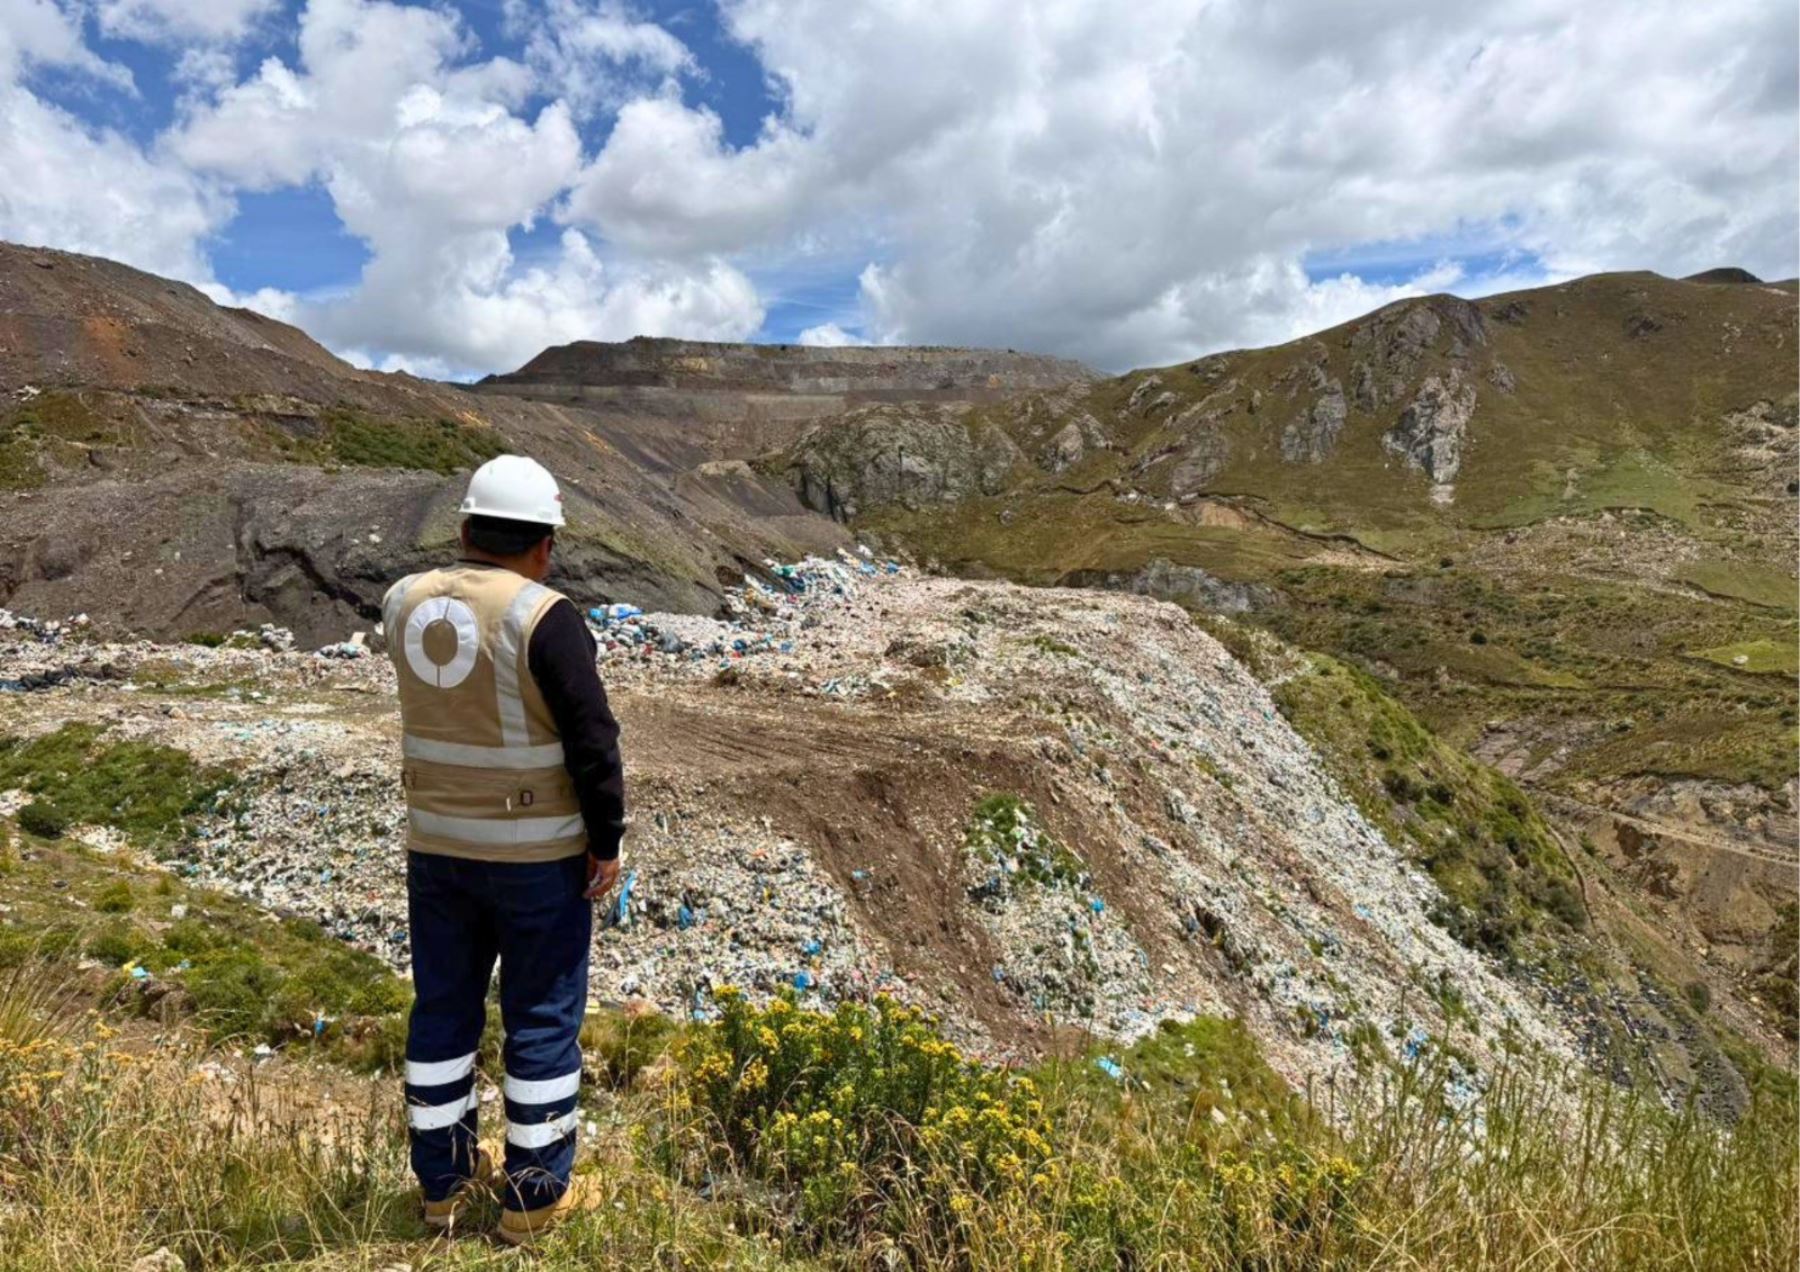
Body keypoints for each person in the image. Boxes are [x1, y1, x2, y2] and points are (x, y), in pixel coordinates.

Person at [381, 454, 625, 1245]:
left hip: (437, 851)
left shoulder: (402, 602)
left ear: (464, 529)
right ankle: (532, 1198)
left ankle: (443, 1188)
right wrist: (606, 842)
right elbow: (593, 739)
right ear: (546, 545)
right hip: (536, 861)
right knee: (542, 1020)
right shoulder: (544, 616)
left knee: (443, 1010)